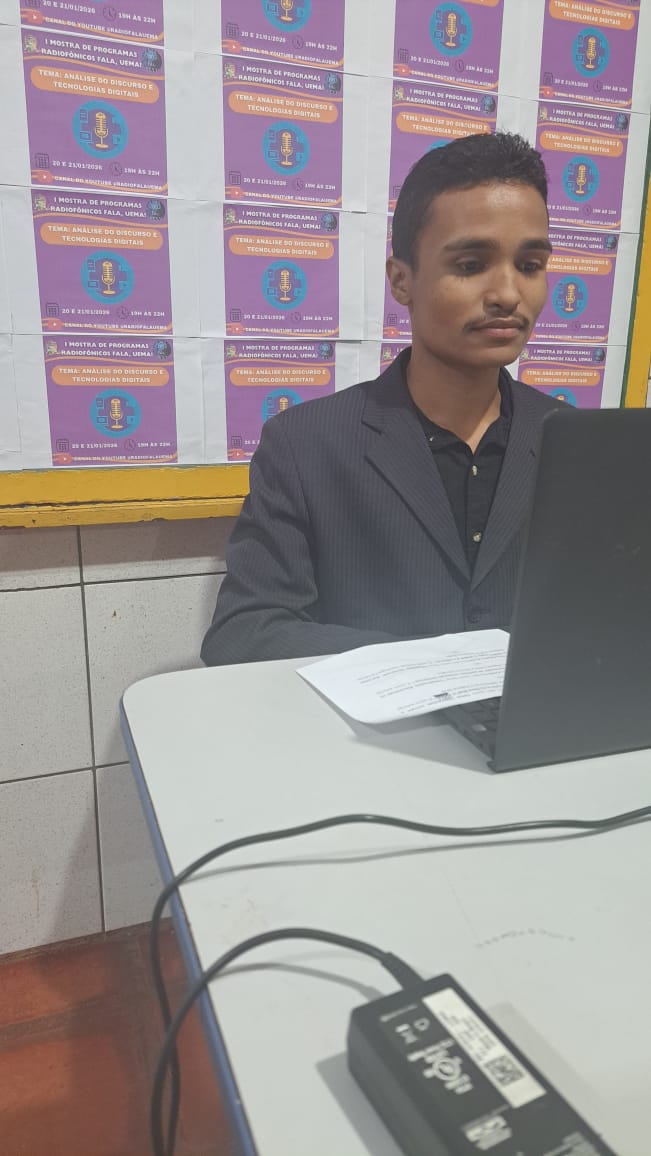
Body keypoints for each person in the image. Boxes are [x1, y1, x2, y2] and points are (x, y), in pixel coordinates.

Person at [202, 132, 563, 666]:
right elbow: (244, 634)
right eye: (470, 265)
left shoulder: (572, 443)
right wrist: (428, 666)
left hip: (537, 721)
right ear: (401, 281)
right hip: (367, 719)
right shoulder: (307, 444)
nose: (509, 294)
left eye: (530, 265)